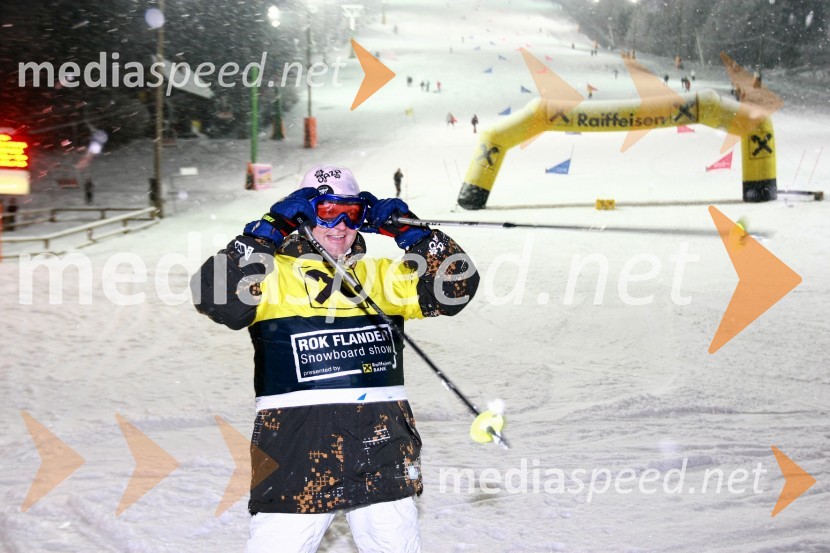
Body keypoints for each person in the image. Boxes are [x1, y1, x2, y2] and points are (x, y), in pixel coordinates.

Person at [191, 164, 480, 553]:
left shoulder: (383, 276)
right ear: (303, 215)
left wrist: (416, 234)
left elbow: (456, 288)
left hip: (382, 448)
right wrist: (266, 232)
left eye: (351, 212)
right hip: (297, 453)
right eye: (327, 212)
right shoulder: (270, 275)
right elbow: (216, 298)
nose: (340, 225)